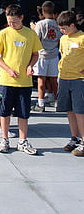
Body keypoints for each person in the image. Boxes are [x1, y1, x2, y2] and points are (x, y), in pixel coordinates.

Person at [0, 4, 42, 155]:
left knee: (23, 112)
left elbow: (35, 54)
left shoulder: (30, 34)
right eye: (9, 22)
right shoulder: (4, 33)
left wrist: (30, 66)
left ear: (21, 18)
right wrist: (7, 69)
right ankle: (4, 139)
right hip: (7, 81)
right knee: (4, 111)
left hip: (25, 82)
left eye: (14, 21)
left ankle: (22, 141)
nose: (11, 24)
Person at [56, 10, 84, 156]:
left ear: (72, 25)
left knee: (80, 111)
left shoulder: (82, 38)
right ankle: (75, 138)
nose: (62, 31)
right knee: (70, 110)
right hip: (64, 77)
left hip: (78, 79)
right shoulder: (63, 39)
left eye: (64, 28)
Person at [32, 1, 60, 112]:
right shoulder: (57, 24)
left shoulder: (40, 24)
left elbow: (36, 39)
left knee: (41, 80)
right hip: (53, 55)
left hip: (42, 55)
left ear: (43, 12)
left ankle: (41, 103)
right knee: (54, 80)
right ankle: (58, 102)